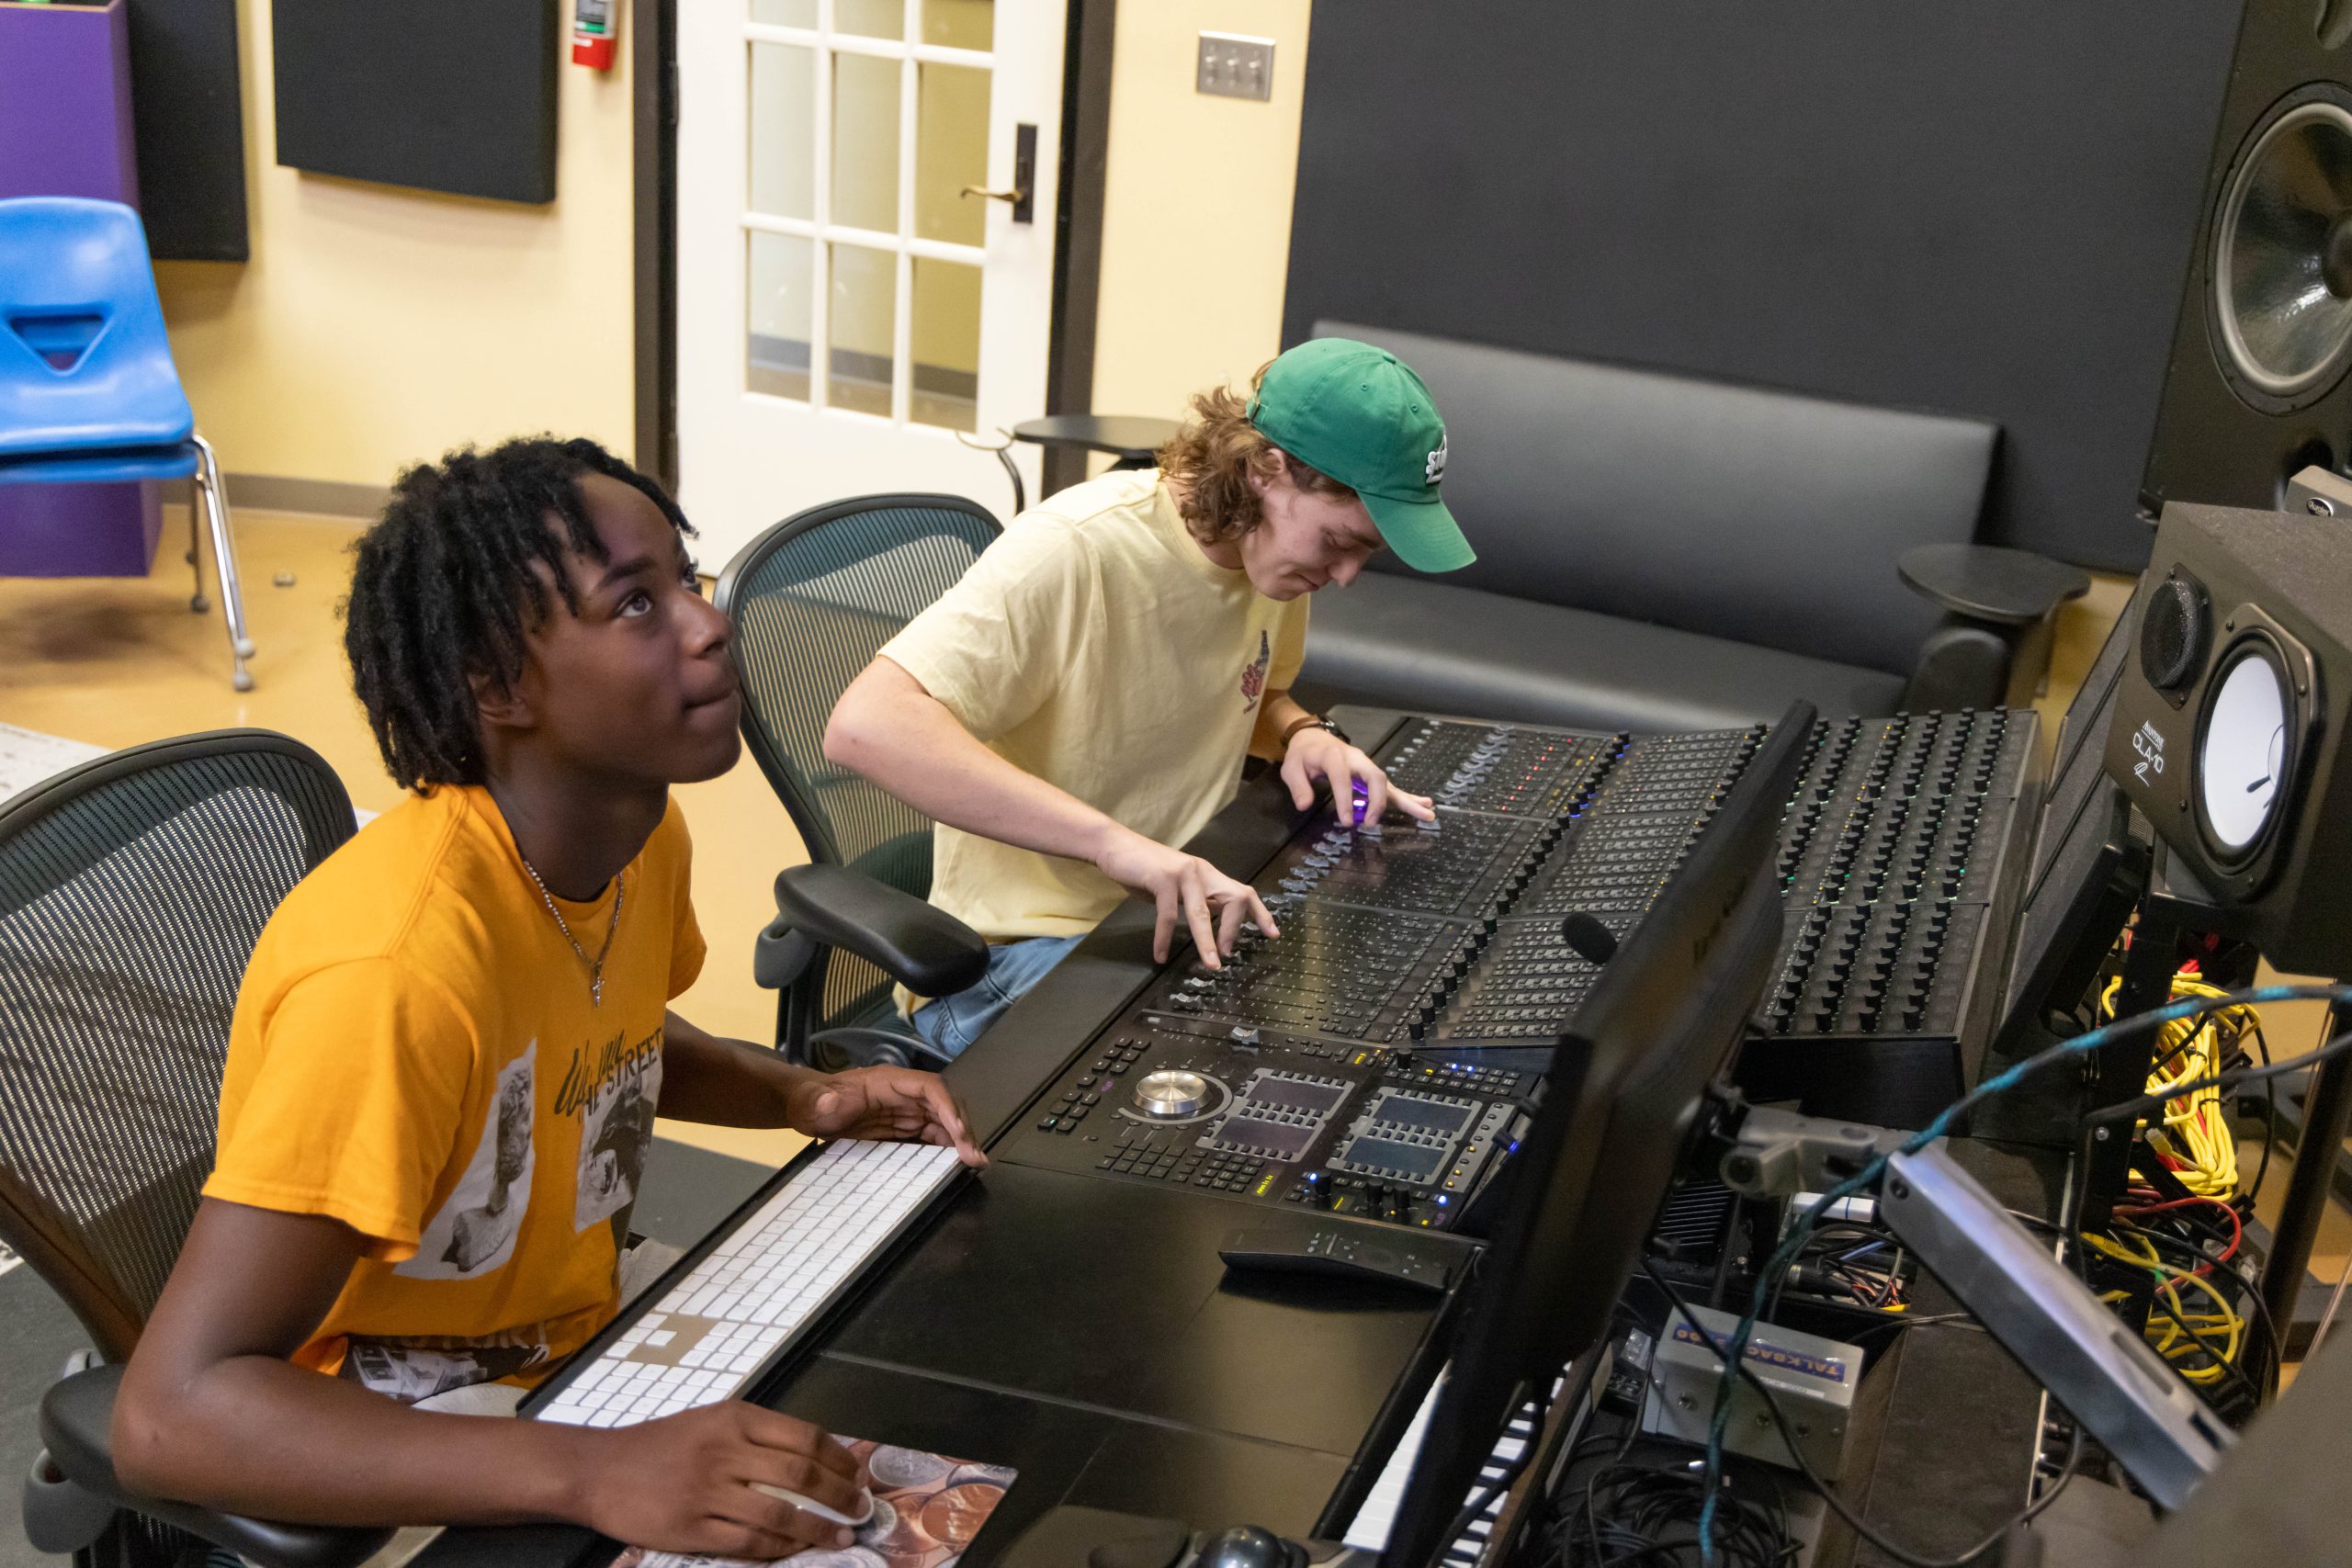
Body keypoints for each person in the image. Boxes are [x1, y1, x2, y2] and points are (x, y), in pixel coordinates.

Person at [111, 438, 984, 1562]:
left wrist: (801, 1096)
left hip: (576, 1336)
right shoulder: (394, 977)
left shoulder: (635, 835)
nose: (709, 622)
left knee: (922, 1445)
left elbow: (602, 1036)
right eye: (634, 603)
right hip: (383, 1410)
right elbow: (167, 1414)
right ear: (495, 684)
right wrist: (596, 1470)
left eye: (686, 578)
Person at [824, 338, 1476, 1059]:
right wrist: (1116, 847)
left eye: (1367, 552)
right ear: (1265, 469)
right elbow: (866, 726)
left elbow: (1245, 688)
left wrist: (1303, 732)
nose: (1346, 574)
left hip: (1167, 923)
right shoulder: (1076, 548)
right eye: (1338, 541)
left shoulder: (1274, 562)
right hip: (1015, 959)